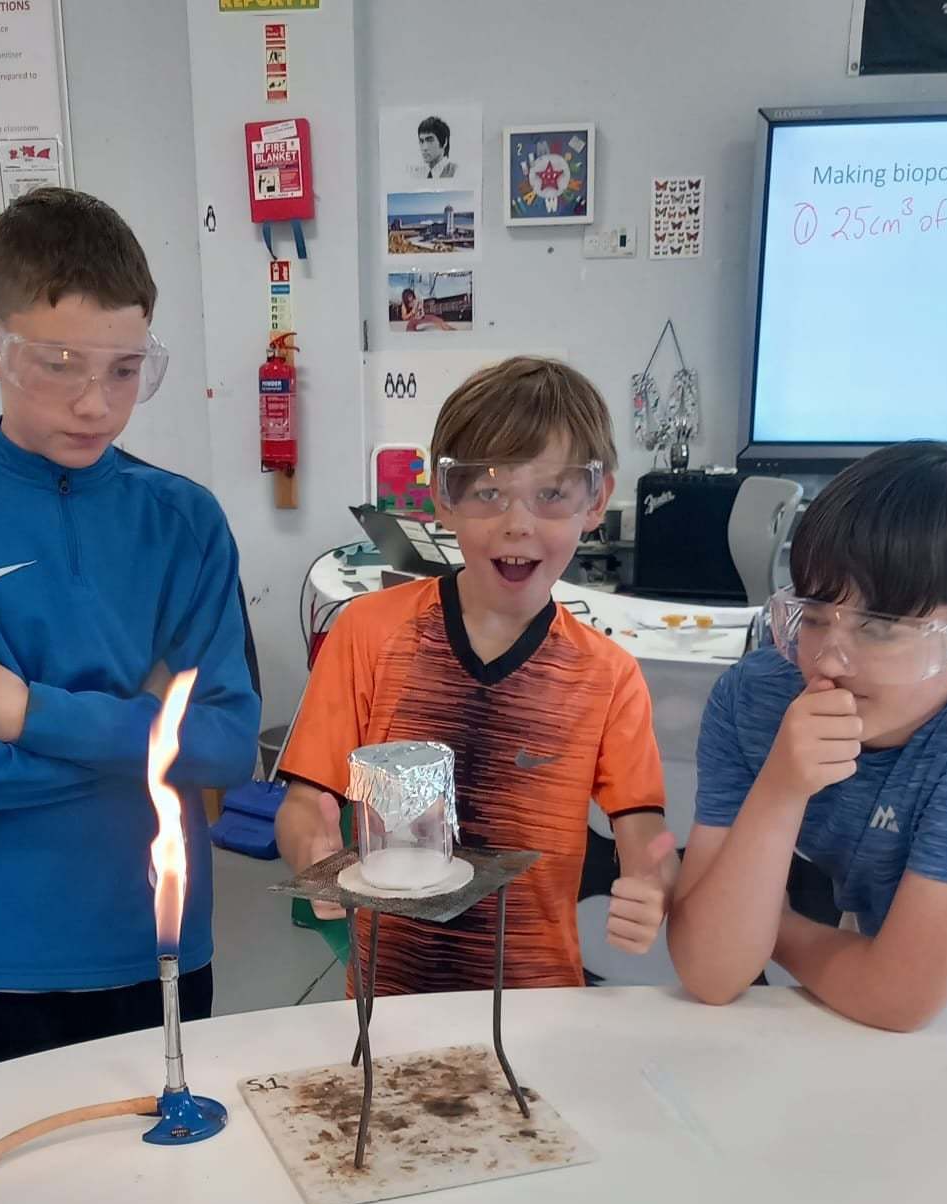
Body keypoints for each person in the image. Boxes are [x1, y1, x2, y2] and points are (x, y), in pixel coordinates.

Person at [0, 187, 261, 1076]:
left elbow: (230, 745)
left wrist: (30, 711)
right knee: (14, 1202)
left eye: (125, 370)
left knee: (172, 1203)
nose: (95, 404)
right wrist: (150, 739)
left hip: (159, 940)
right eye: (61, 364)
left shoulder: (184, 518)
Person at [669, 441, 947, 1032]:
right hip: (880, 934)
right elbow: (710, 972)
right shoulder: (756, 699)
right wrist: (780, 788)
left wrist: (779, 926)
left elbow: (898, 999)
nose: (829, 658)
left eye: (881, 626)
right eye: (815, 614)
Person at [276, 356, 677, 996]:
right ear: (444, 497)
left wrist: (653, 881)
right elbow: (305, 802)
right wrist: (314, 850)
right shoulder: (367, 635)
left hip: (537, 1001)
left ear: (596, 500)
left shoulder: (609, 676)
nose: (518, 523)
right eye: (488, 491)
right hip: (386, 1002)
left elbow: (644, 830)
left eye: (552, 493)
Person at [413, 115, 456, 180]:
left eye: (430, 140)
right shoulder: (418, 174)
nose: (424, 148)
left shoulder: (456, 173)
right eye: (421, 141)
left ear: (444, 142)